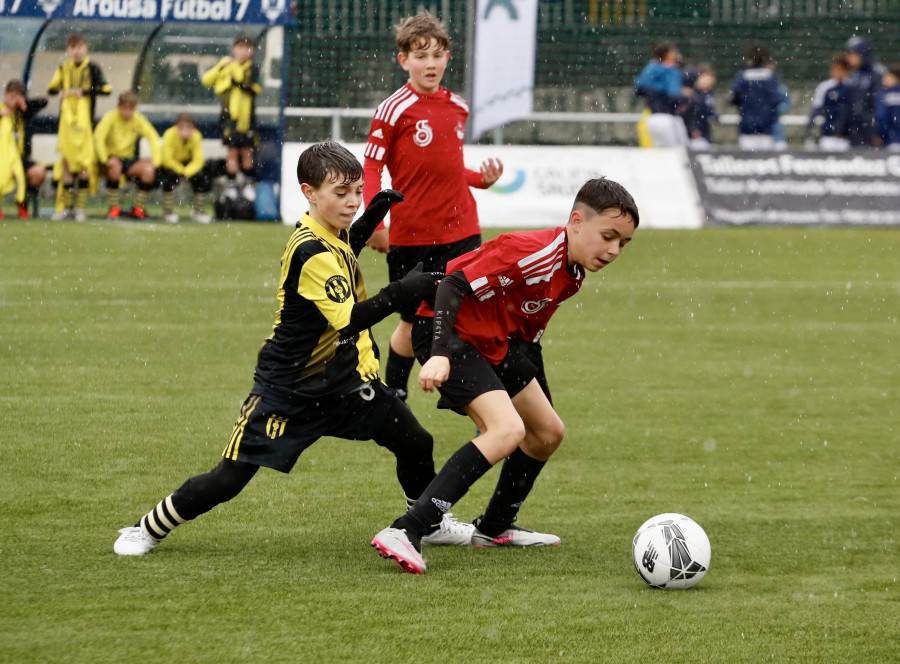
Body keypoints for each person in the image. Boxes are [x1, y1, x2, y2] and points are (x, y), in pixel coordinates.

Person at [113, 141, 475, 557]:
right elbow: (349, 320)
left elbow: (342, 252)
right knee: (229, 478)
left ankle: (427, 525)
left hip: (343, 381)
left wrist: (366, 221)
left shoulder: (328, 233)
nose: (352, 201)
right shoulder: (309, 249)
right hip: (290, 388)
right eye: (341, 194)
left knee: (414, 441)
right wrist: (402, 291)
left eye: (357, 191)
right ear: (309, 192)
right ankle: (147, 527)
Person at [372, 177, 640, 574]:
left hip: (495, 342)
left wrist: (536, 392)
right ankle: (408, 529)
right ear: (577, 221)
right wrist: (441, 355)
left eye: (624, 243)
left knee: (547, 432)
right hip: (447, 333)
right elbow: (451, 286)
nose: (615, 250)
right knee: (507, 430)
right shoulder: (532, 251)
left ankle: (493, 528)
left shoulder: (574, 273)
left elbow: (527, 338)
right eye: (609, 236)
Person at [362, 11, 503, 402]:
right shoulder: (393, 109)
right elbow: (372, 165)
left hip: (462, 230)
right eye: (420, 56)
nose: (430, 64)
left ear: (448, 58)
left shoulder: (457, 106)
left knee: (473, 316)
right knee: (411, 321)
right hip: (412, 237)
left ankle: (484, 396)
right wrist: (375, 222)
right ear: (403, 60)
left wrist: (481, 179)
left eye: (437, 55)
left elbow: (451, 165)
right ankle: (393, 395)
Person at [46, 32, 112, 221]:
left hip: (85, 126)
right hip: (66, 124)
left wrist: (84, 92)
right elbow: (51, 89)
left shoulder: (92, 67)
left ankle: (81, 208)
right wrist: (61, 91)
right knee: (67, 163)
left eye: (80, 47)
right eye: (73, 48)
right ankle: (67, 208)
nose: (77, 51)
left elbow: (106, 89)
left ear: (86, 48)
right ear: (68, 50)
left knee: (84, 164)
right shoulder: (63, 68)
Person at [202, 34, 261, 202]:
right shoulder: (226, 65)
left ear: (252, 52)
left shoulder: (253, 68)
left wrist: (233, 77)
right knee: (232, 152)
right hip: (230, 120)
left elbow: (245, 80)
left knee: (247, 152)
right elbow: (208, 81)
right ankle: (231, 186)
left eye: (248, 48)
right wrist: (221, 66)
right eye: (240, 48)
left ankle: (249, 185)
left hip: (248, 120)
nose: (244, 52)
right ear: (234, 49)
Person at [93, 91, 160, 220]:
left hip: (128, 160)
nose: (127, 112)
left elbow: (153, 137)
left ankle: (137, 208)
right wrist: (104, 159)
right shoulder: (110, 117)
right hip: (109, 159)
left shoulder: (138, 119)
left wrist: (156, 162)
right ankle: (113, 208)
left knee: (149, 170)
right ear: (119, 106)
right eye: (125, 108)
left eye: (131, 108)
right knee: (114, 166)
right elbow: (98, 138)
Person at [158, 113, 213, 223]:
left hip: (188, 165)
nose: (185, 131)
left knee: (201, 178)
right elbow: (167, 159)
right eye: (181, 127)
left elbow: (198, 160)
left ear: (193, 128)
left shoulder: (196, 136)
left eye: (188, 128)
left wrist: (187, 171)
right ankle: (168, 212)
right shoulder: (169, 134)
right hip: (172, 165)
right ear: (176, 126)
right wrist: (180, 170)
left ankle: (198, 211)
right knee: (169, 178)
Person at [633, 41, 689, 147]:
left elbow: (638, 89)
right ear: (668, 54)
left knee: (661, 155)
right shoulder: (671, 70)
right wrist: (685, 96)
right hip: (668, 118)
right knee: (679, 153)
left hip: (652, 119)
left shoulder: (650, 68)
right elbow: (674, 95)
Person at [730, 44, 781, 151]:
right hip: (766, 126)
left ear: (750, 59)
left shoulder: (743, 75)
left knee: (747, 160)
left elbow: (734, 98)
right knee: (765, 161)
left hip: (747, 125)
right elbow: (776, 99)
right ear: (766, 58)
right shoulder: (771, 76)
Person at [844, 36, 884, 148]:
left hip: (872, 134)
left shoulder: (878, 73)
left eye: (852, 54)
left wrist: (876, 132)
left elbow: (881, 107)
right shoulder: (853, 74)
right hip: (854, 132)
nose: (848, 58)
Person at [808, 54, 851, 151]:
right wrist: (811, 125)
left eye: (839, 69)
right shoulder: (825, 87)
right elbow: (817, 107)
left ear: (846, 71)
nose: (835, 72)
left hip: (847, 136)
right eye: (834, 69)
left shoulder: (852, 87)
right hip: (828, 133)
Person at [0, 80, 27, 219]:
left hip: (15, 154)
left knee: (21, 179)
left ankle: (21, 206)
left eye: (18, 97)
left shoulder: (20, 113)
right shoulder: (1, 110)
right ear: (5, 94)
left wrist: (22, 104)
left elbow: (43, 102)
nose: (14, 101)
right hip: (2, 154)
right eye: (12, 96)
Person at [684, 64, 717, 149]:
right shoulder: (692, 94)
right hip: (695, 134)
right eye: (708, 76)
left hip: (705, 132)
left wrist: (714, 114)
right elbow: (690, 113)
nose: (712, 79)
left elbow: (707, 110)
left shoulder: (708, 93)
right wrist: (693, 128)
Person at [875, 64, 900, 151]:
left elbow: (881, 117)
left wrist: (879, 135)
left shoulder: (884, 95)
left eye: (887, 76)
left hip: (891, 140)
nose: (884, 78)